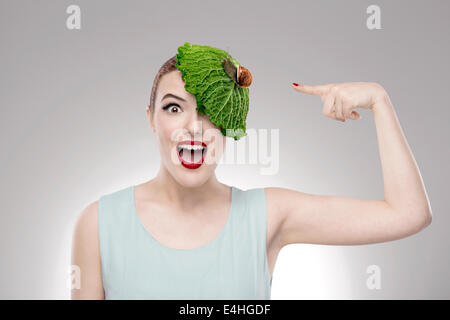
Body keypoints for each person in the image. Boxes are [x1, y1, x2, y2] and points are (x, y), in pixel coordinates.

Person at [71, 55, 432, 300]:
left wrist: (379, 101)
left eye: (213, 110)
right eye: (174, 107)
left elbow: (408, 213)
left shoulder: (267, 214)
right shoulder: (99, 223)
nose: (194, 127)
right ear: (151, 118)